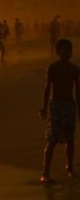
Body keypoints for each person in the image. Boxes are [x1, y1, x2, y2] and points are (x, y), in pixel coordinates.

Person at [40, 39, 80, 183]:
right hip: (56, 106)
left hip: (69, 106)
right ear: (58, 52)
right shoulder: (53, 67)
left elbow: (78, 91)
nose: (66, 53)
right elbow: (47, 88)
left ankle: (69, 168)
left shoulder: (75, 69)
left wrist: (79, 109)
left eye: (69, 50)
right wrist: (44, 107)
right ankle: (45, 172)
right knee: (52, 139)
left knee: (70, 140)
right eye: (63, 50)